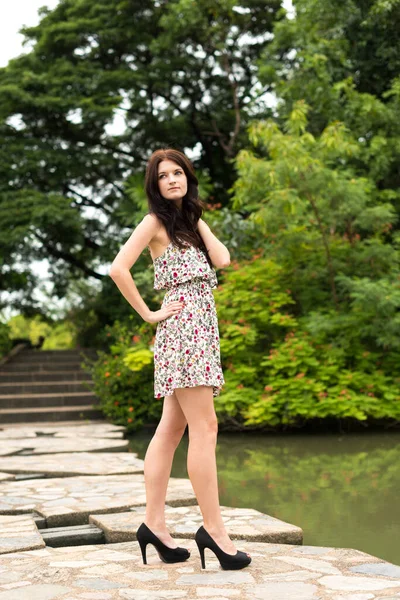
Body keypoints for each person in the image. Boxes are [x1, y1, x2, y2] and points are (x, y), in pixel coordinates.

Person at [109, 147, 251, 570]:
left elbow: (223, 259)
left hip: (200, 328)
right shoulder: (153, 222)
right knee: (205, 427)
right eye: (163, 176)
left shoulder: (187, 223)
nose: (172, 180)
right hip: (184, 330)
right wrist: (149, 314)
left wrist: (194, 215)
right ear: (153, 186)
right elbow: (119, 267)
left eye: (178, 173)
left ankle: (154, 525)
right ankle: (215, 531)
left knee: (171, 431)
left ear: (187, 177)